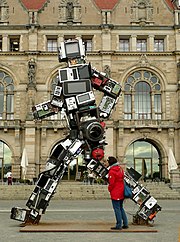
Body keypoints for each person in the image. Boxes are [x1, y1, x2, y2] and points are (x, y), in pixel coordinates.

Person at [107, 156, 128, 230]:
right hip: (121, 191)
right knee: (121, 208)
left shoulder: (112, 171)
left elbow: (111, 183)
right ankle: (125, 223)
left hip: (115, 192)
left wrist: (109, 189)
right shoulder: (120, 169)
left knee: (117, 209)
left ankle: (119, 225)